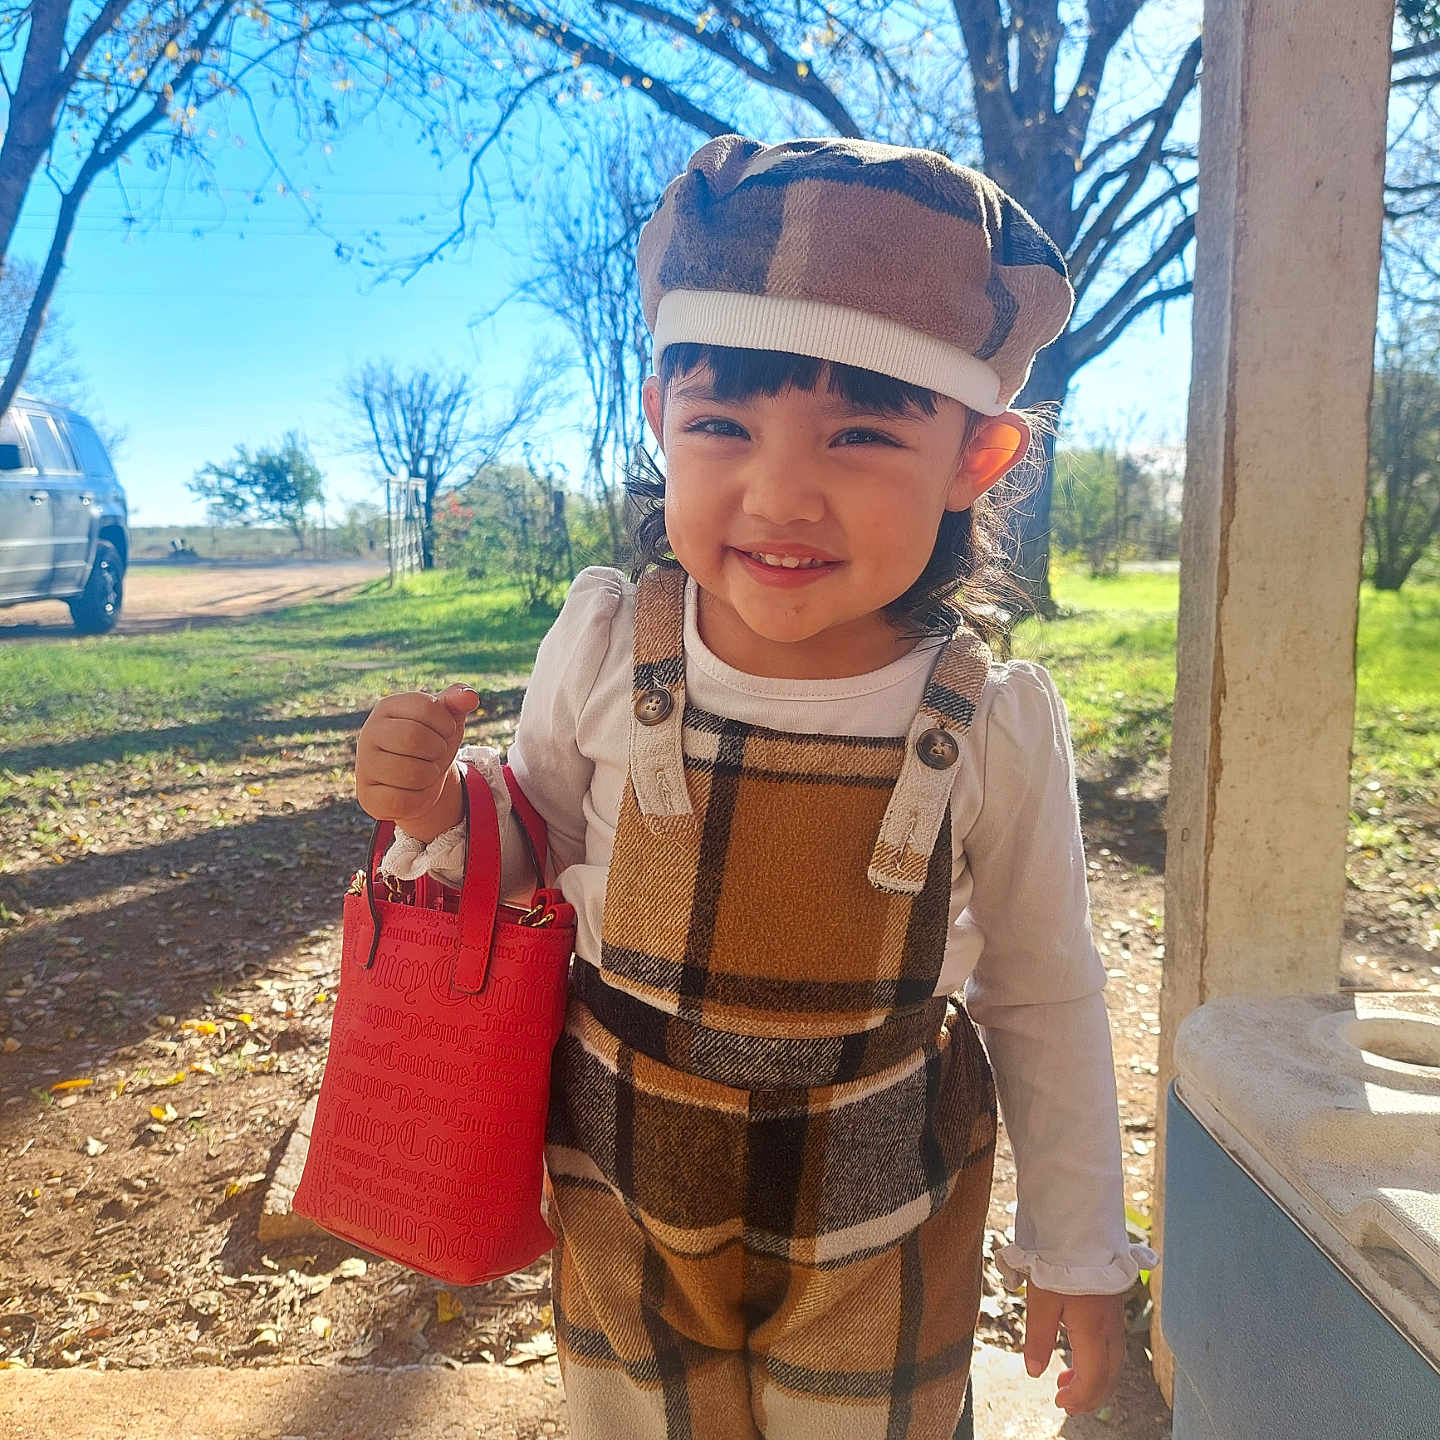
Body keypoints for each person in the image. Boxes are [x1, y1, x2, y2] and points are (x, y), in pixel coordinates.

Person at [353, 135, 1156, 1440]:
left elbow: (1046, 989)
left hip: (879, 1229)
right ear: (663, 413)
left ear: (976, 460)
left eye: (860, 434)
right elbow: (532, 865)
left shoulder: (992, 722)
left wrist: (1076, 1252)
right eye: (722, 424)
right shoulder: (609, 644)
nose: (781, 492)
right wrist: (440, 812)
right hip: (630, 1208)